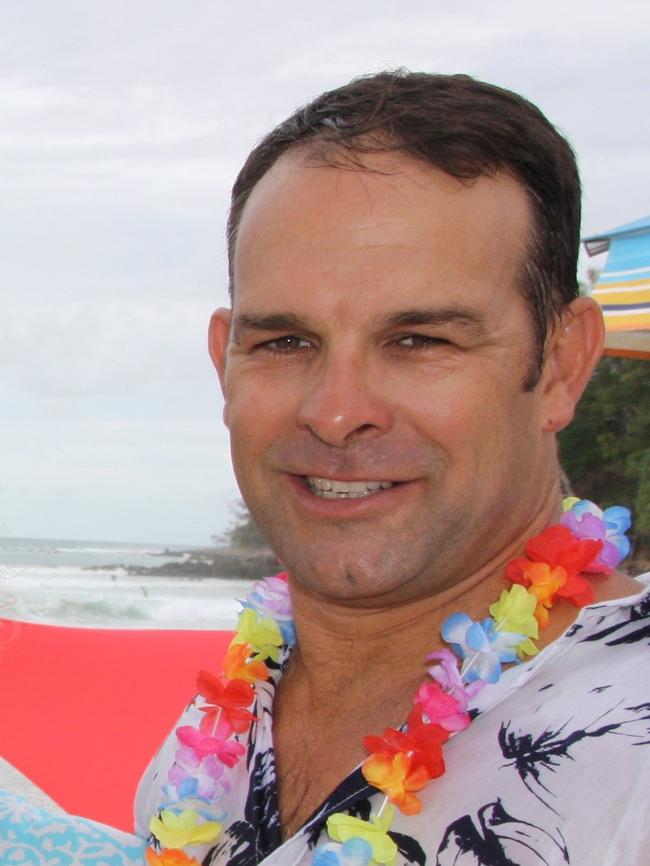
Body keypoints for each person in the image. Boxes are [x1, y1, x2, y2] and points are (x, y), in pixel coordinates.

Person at [136, 71, 650, 866]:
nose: (337, 411)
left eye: (421, 341)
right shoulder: (200, 762)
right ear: (224, 362)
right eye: (284, 341)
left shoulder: (628, 763)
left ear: (560, 365)